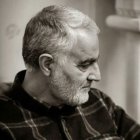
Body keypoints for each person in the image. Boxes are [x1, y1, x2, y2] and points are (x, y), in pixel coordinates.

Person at [0, 5, 140, 140]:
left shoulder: (99, 102)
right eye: (84, 64)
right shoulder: (6, 125)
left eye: (95, 62)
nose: (97, 76)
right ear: (47, 65)